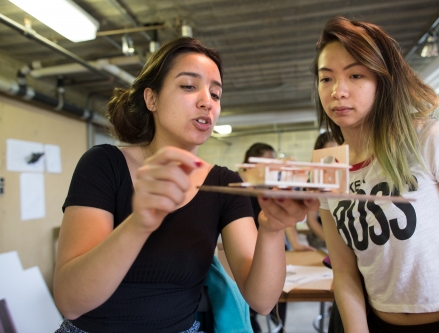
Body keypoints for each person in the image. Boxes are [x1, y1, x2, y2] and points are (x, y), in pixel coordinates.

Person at [52, 37, 319, 333]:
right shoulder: (104, 164)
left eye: (215, 94)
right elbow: (71, 301)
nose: (207, 101)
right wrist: (140, 223)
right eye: (189, 86)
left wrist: (272, 229)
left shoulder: (225, 184)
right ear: (151, 98)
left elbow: (262, 301)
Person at [311, 16, 439, 333]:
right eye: (326, 78)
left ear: (384, 80)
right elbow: (345, 273)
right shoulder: (327, 166)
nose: (338, 91)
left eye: (356, 75)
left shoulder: (434, 140)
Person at [238, 142, 313, 333]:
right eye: (269, 163)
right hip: (249, 247)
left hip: (271, 246)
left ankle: (280, 327)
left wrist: (295, 243)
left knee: (278, 297)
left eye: (275, 163)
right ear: (251, 165)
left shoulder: (270, 186)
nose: (274, 168)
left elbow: (282, 218)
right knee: (251, 306)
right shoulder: (241, 188)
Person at [306, 131, 337, 250]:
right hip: (323, 240)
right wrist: (333, 244)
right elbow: (311, 220)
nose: (334, 160)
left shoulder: (346, 178)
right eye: (329, 157)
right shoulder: (314, 182)